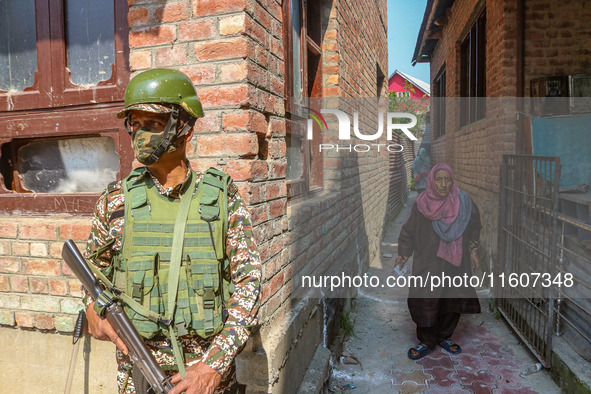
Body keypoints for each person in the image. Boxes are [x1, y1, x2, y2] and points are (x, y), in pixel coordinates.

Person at [83, 68, 261, 394]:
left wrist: (214, 364)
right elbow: (92, 277)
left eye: (153, 124)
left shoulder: (221, 198)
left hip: (205, 378)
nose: (140, 134)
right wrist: (91, 310)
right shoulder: (115, 201)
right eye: (134, 124)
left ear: (185, 128)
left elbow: (249, 284)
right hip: (137, 374)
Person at [395, 163, 481, 360]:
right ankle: (426, 340)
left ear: (453, 181)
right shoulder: (422, 204)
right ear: (432, 181)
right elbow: (408, 231)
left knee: (452, 296)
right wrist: (404, 254)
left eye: (447, 179)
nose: (443, 184)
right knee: (426, 297)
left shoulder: (464, 201)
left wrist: (474, 251)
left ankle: (444, 336)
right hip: (429, 261)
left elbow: (474, 226)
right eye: (439, 179)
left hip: (456, 260)